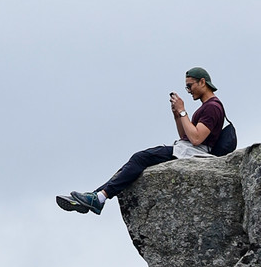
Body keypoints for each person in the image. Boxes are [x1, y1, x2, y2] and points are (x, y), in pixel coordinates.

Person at [56, 69, 227, 214]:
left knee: (140, 158)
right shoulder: (206, 107)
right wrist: (177, 115)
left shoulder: (212, 106)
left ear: (202, 82)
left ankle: (98, 198)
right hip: (187, 148)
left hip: (195, 152)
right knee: (130, 166)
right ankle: (95, 197)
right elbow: (186, 135)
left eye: (190, 85)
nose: (188, 90)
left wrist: (183, 111)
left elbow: (196, 139)